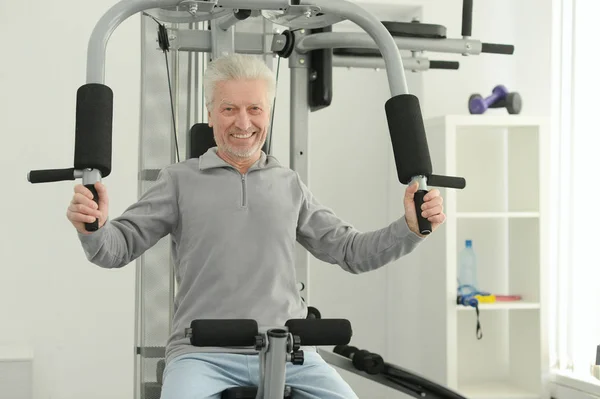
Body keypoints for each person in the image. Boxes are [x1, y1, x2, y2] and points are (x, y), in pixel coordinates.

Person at [67, 53, 446, 399]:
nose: (243, 122)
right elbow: (114, 249)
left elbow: (350, 251)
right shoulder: (178, 181)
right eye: (229, 108)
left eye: (255, 108)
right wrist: (93, 226)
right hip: (202, 353)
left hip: (289, 350)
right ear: (210, 112)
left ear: (269, 112)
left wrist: (409, 228)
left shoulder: (288, 183)